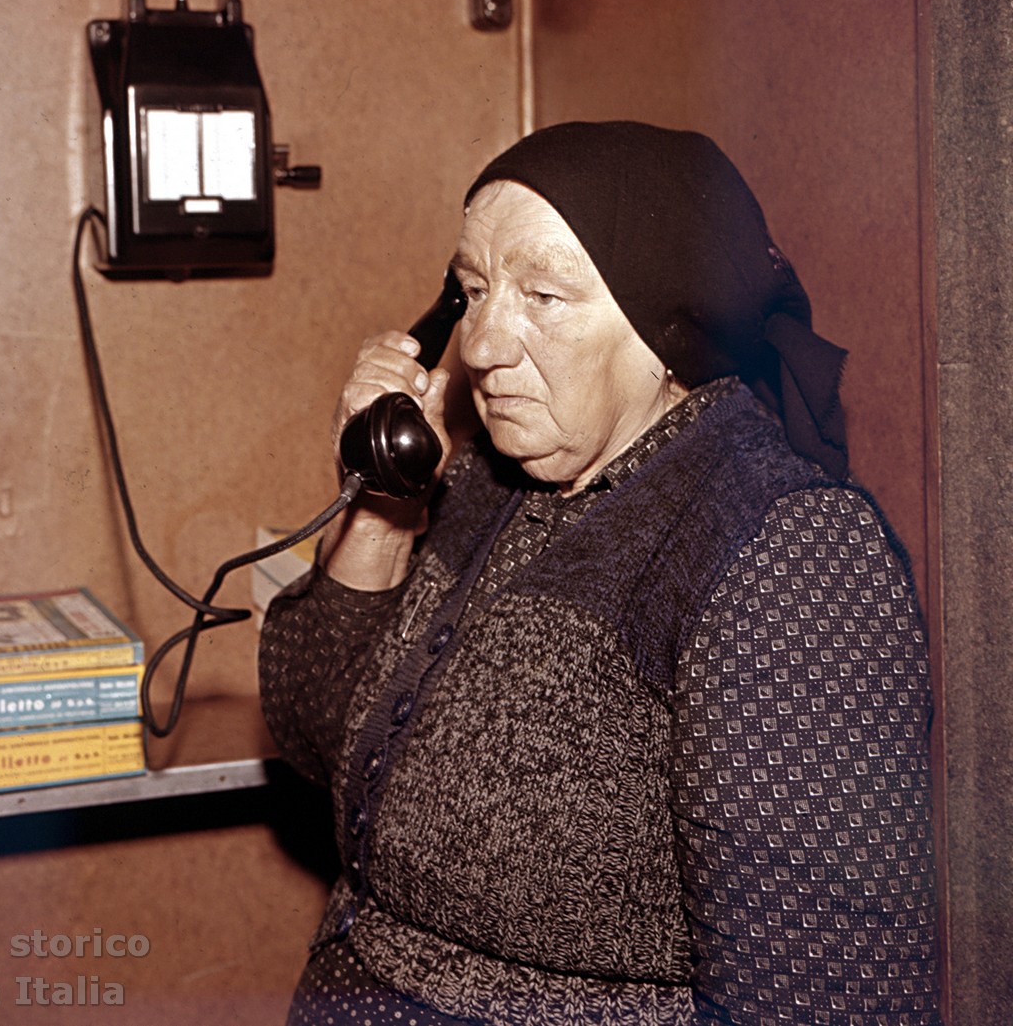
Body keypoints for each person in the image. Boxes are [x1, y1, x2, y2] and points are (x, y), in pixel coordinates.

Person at [259, 122, 942, 1025]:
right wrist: (384, 503)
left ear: (670, 328)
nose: (480, 346)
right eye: (471, 291)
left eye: (543, 294)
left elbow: (829, 996)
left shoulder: (787, 556)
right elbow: (314, 731)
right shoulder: (483, 478)